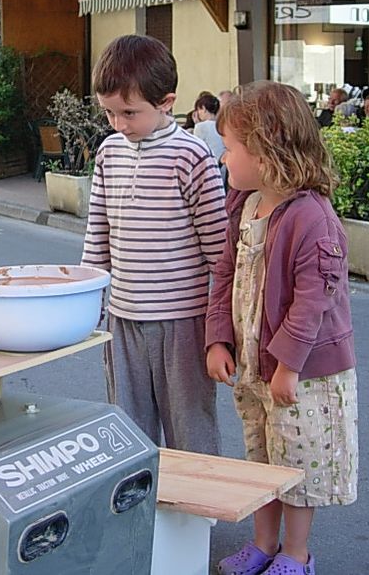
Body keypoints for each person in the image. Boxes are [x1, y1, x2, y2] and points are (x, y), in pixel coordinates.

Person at [207, 81, 358, 575]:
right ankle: (262, 543)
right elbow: (225, 274)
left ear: (267, 148)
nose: (224, 159)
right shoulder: (246, 206)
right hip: (254, 365)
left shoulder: (312, 217)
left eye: (230, 148)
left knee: (297, 464)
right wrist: (217, 338)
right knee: (262, 458)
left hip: (300, 374)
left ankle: (296, 554)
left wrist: (289, 366)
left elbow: (314, 299)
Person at [81, 34, 227, 453]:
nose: (119, 125)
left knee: (189, 424)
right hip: (123, 317)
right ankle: (143, 513)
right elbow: (98, 235)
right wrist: (90, 302)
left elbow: (218, 248)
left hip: (183, 319)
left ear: (166, 102)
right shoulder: (110, 153)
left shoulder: (191, 155)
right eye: (109, 113)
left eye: (129, 113)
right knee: (128, 428)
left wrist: (221, 326)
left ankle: (196, 515)